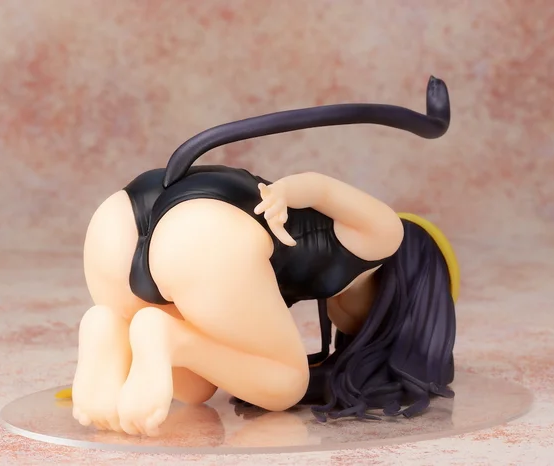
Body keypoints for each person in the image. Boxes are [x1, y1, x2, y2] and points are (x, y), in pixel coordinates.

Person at [68, 76, 459, 436]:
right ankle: (163, 334)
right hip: (205, 232)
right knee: (287, 383)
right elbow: (322, 189)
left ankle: (110, 326)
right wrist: (287, 193)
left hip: (120, 217)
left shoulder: (294, 278)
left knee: (197, 387)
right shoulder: (385, 240)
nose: (352, 331)